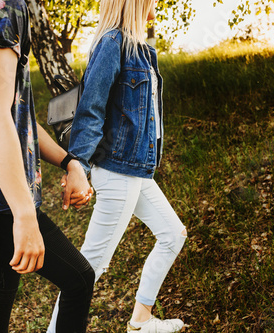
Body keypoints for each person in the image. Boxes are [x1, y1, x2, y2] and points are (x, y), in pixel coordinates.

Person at [0, 0, 95, 332]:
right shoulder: (3, 6)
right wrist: (24, 216)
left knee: (79, 279)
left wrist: (69, 163)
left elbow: (16, 116)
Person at [48, 0, 188, 332]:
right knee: (89, 267)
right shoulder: (113, 43)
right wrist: (77, 165)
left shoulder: (142, 50)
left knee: (172, 234)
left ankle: (141, 321)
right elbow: (90, 109)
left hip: (136, 170)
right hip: (117, 171)